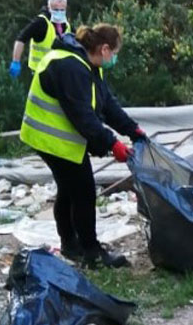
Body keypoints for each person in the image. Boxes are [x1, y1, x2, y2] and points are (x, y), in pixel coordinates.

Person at [19, 23, 145, 268]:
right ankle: (91, 251)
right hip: (49, 138)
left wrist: (133, 130)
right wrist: (112, 144)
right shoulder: (70, 67)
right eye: (115, 52)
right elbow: (83, 116)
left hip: (57, 137)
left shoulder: (87, 65)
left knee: (69, 189)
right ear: (105, 49)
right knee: (83, 190)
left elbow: (107, 104)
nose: (115, 58)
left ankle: (71, 244)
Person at [9, 0, 71, 77]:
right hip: (39, 72)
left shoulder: (66, 25)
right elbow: (21, 39)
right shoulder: (41, 22)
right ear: (49, 8)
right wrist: (16, 61)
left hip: (59, 74)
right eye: (56, 10)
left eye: (62, 10)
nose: (59, 13)